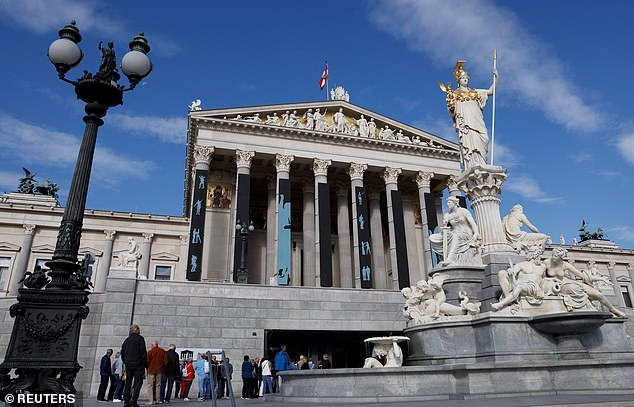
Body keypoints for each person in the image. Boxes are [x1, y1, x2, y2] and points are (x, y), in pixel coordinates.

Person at [442, 60, 498, 169]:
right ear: (459, 80)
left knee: (484, 137)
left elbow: (490, 91)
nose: (465, 79)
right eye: (463, 78)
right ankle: (472, 165)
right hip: (465, 122)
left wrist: (496, 78)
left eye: (467, 78)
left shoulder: (475, 92)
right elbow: (451, 110)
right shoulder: (454, 94)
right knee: (470, 143)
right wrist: (452, 107)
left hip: (477, 119)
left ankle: (482, 162)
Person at [545, 247, 625, 317]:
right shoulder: (546, 262)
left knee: (598, 294)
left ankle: (612, 309)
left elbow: (582, 276)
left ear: (561, 257)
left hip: (568, 282)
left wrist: (601, 279)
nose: (553, 257)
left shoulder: (566, 265)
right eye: (552, 255)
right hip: (557, 285)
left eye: (555, 256)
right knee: (574, 288)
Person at [429, 196, 482, 266]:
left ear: (455, 203)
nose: (447, 204)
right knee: (433, 237)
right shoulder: (447, 215)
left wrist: (475, 233)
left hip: (465, 233)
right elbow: (445, 227)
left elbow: (473, 224)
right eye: (447, 203)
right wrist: (445, 223)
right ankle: (444, 257)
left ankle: (451, 258)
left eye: (449, 202)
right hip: (453, 232)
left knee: (456, 236)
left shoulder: (463, 211)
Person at [492, 246, 548, 311]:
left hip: (533, 287)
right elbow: (514, 271)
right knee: (502, 273)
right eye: (539, 255)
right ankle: (510, 302)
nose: (540, 258)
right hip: (522, 284)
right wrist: (511, 270)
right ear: (534, 256)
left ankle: (501, 304)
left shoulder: (543, 267)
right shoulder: (522, 264)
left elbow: (545, 279)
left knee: (520, 287)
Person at [121, 325, 148, 407]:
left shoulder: (127, 340)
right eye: (139, 329)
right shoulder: (140, 339)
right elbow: (143, 352)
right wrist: (145, 364)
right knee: (138, 383)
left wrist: (125, 361)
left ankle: (126, 401)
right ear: (136, 330)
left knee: (128, 383)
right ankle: (134, 400)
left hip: (129, 365)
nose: (140, 330)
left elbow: (122, 352)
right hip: (138, 365)